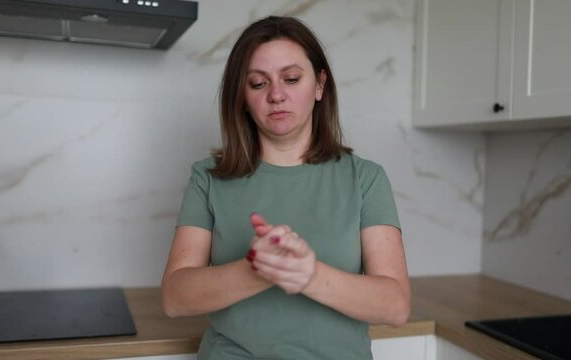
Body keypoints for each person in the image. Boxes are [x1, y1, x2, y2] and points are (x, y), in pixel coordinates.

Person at [161, 16, 410, 360]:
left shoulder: (365, 178)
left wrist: (308, 275)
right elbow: (175, 298)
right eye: (258, 83)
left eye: (291, 78)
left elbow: (395, 306)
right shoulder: (208, 177)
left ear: (320, 85)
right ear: (242, 96)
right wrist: (257, 268)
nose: (277, 95)